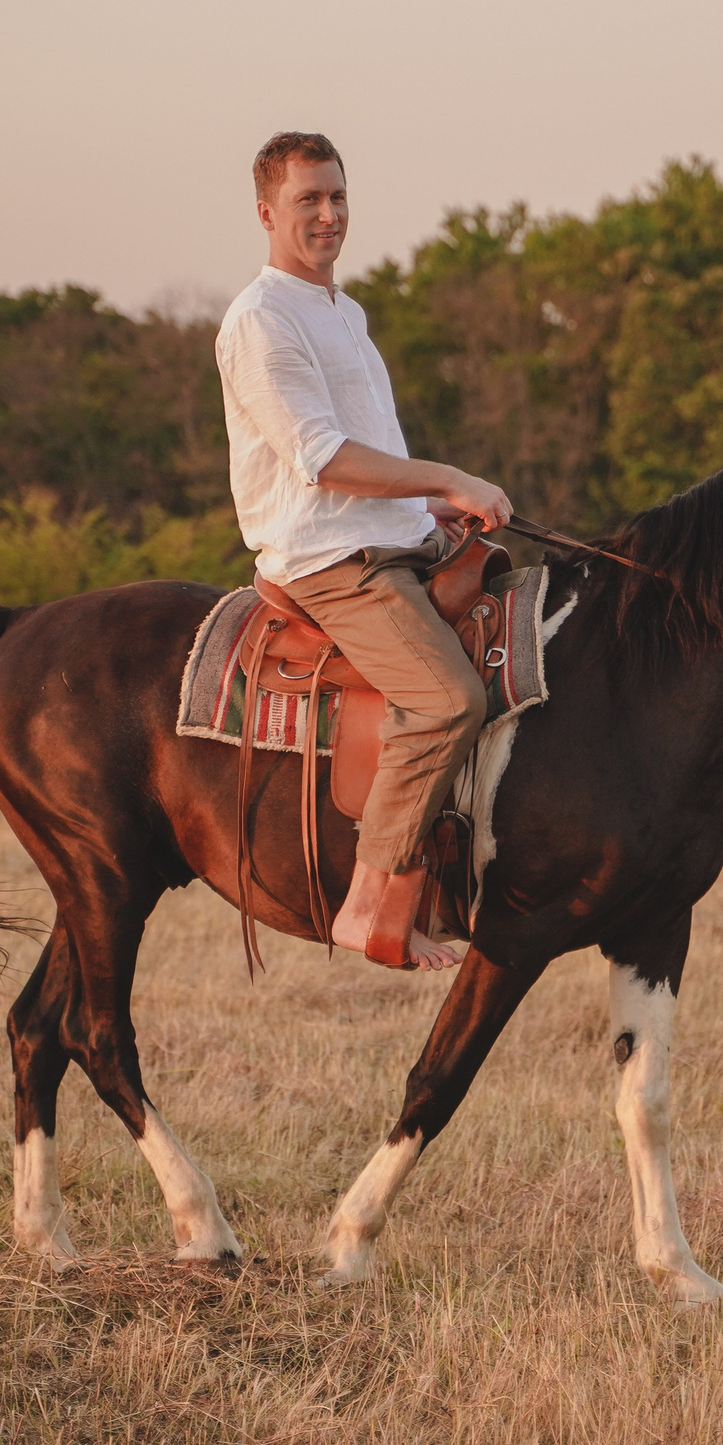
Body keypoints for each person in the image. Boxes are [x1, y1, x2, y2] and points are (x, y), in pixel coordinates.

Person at [215, 132, 512, 971]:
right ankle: (368, 901)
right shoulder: (260, 320)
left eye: (337, 196)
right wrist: (450, 476)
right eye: (308, 199)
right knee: (448, 697)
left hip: (395, 540)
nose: (328, 214)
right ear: (266, 212)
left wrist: (432, 507)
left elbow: (372, 451)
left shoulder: (346, 313)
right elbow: (324, 458)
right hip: (330, 562)